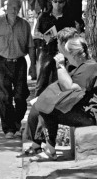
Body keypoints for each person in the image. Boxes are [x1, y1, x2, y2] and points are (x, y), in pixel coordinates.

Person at [24, 29, 94, 160]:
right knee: (43, 106)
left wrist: (60, 65)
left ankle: (49, 147)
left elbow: (69, 87)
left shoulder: (89, 67)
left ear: (76, 55)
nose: (67, 58)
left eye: (68, 55)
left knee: (48, 110)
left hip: (89, 115)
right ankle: (45, 146)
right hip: (81, 108)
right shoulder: (84, 65)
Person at [0, 0, 35, 139]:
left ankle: (16, 121)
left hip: (20, 63)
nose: (14, 10)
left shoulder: (25, 25)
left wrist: (33, 65)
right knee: (4, 97)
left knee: (21, 96)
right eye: (11, 7)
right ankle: (8, 128)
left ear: (20, 9)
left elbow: (31, 47)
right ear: (6, 7)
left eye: (17, 7)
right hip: (2, 63)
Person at [34, 0, 79, 95]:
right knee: (41, 82)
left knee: (58, 81)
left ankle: (54, 109)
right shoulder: (43, 16)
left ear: (64, 3)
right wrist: (44, 36)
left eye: (60, 2)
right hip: (45, 51)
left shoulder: (69, 18)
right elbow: (35, 32)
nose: (57, 4)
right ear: (52, 2)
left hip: (62, 53)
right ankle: (37, 107)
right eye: (55, 1)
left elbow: (74, 34)